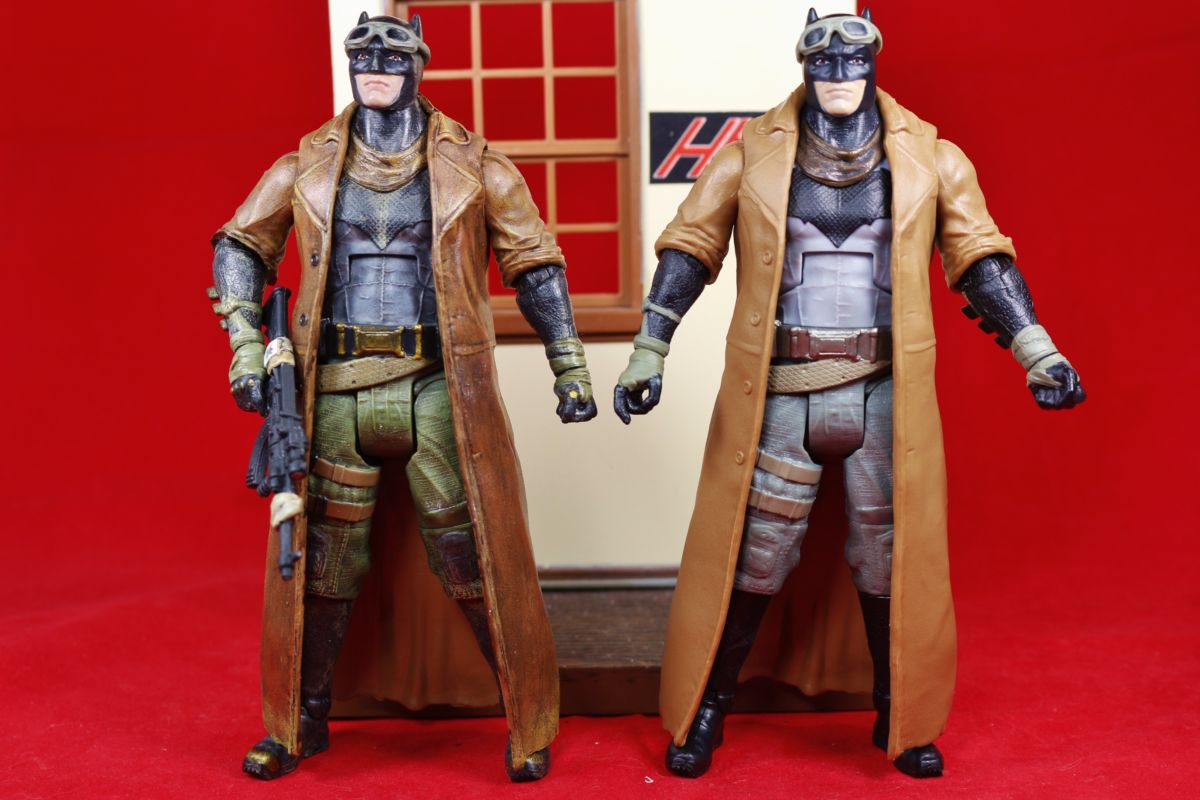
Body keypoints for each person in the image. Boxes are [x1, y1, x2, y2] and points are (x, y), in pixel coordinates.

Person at [614, 7, 1085, 780]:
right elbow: (690, 249)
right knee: (755, 554)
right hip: (782, 387)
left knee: (888, 558)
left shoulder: (931, 160)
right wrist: (649, 349)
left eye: (852, 60)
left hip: (882, 391)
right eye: (823, 61)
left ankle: (901, 714)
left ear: (873, 63)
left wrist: (1037, 349)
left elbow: (980, 258)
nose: (838, 74)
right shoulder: (751, 157)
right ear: (804, 64)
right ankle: (707, 706)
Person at [209, 12, 595, 782]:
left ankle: (524, 718)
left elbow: (535, 264)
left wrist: (570, 364)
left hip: (437, 385)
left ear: (420, 63)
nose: (376, 66)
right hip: (334, 388)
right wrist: (247, 344)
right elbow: (239, 245)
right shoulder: (307, 166)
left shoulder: (475, 166)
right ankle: (301, 719)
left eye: (392, 54)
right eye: (363, 55)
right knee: (323, 563)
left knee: (472, 554)